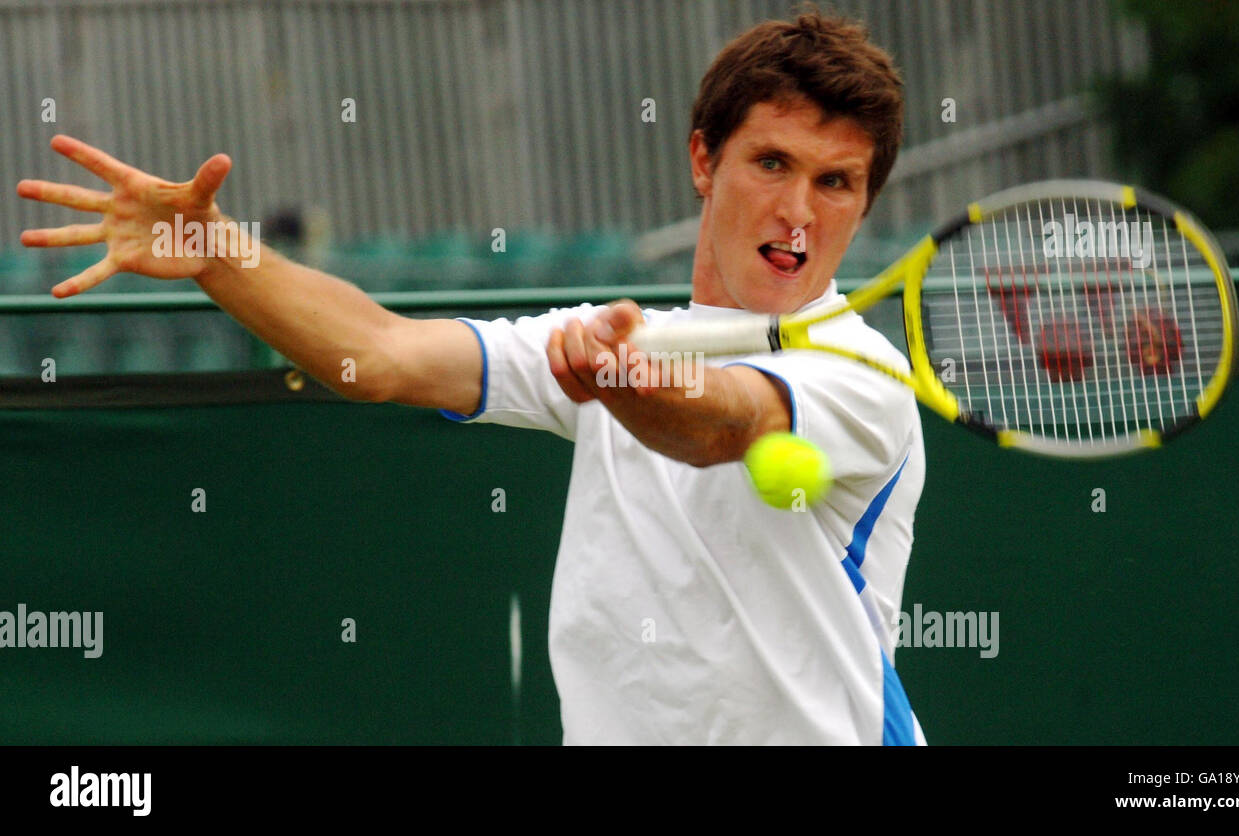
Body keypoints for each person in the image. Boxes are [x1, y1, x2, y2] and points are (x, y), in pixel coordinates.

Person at [17, 10, 925, 745]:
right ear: (703, 160)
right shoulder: (618, 337)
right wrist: (212, 249)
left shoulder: (861, 376)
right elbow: (377, 357)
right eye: (773, 162)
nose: (798, 211)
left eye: (836, 182)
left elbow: (724, 425)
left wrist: (621, 381)